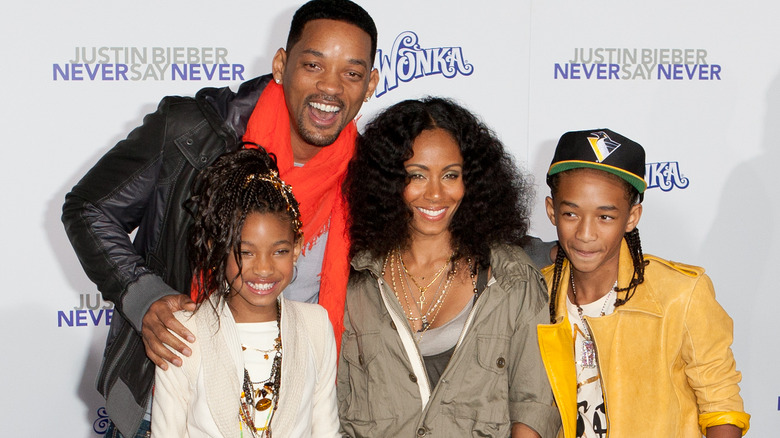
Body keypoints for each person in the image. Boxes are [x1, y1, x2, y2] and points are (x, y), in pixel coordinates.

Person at [61, 1, 378, 435]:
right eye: (313, 65)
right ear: (282, 65)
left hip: (288, 417)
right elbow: (88, 207)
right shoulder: (192, 132)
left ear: (370, 83)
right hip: (166, 405)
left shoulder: (369, 179)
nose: (331, 88)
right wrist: (143, 296)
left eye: (352, 73)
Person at [340, 97, 561, 438]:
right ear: (388, 182)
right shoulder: (357, 281)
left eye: (450, 175)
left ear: (471, 181)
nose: (435, 193)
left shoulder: (511, 278)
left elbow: (534, 407)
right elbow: (336, 412)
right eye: (417, 175)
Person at [536, 129, 750, 438]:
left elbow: (721, 403)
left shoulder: (680, 293)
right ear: (551, 211)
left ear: (632, 217)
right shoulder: (534, 295)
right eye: (571, 213)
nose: (585, 233)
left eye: (605, 217)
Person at [152, 148, 338, 437]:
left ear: (297, 248)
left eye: (279, 251)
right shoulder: (184, 332)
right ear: (218, 249)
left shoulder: (315, 325)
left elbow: (326, 430)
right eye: (245, 252)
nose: (264, 269)